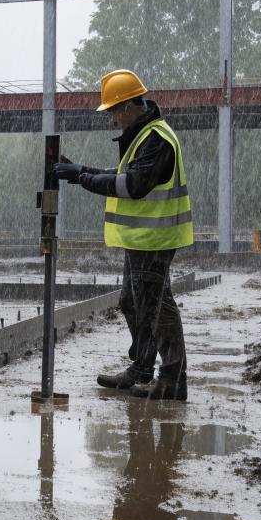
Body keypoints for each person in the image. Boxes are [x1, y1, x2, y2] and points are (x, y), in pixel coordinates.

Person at [55, 69, 192, 400]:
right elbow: (122, 174)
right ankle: (148, 371)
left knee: (153, 308)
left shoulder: (157, 139)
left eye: (114, 112)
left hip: (154, 239)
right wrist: (83, 171)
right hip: (142, 239)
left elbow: (132, 185)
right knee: (135, 303)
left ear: (130, 106)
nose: (113, 120)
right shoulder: (144, 136)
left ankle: (167, 378)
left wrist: (83, 179)